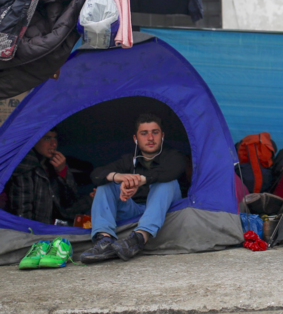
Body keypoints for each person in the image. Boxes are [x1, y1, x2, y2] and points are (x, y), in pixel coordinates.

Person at [79, 113, 186, 264]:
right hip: (135, 210)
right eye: (144, 133)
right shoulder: (128, 160)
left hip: (168, 211)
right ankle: (104, 241)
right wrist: (119, 177)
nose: (150, 138)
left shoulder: (174, 156)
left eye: (155, 133)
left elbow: (174, 170)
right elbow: (96, 175)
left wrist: (140, 181)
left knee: (167, 181)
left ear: (162, 136)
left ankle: (139, 238)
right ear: (135, 139)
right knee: (105, 183)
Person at [7, 129, 80, 225]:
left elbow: (70, 201)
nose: (54, 144)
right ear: (33, 141)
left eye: (55, 138)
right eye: (47, 138)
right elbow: (22, 210)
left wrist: (63, 172)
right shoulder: (24, 167)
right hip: (36, 231)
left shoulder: (52, 165)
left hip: (54, 227)